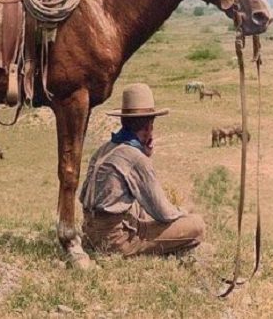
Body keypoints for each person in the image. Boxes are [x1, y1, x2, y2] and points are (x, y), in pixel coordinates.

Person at [79, 83, 205, 256]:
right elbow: (163, 213)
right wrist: (182, 212)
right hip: (115, 240)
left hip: (89, 232)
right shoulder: (135, 157)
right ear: (148, 127)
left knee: (141, 208)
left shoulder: (104, 149)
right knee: (197, 225)